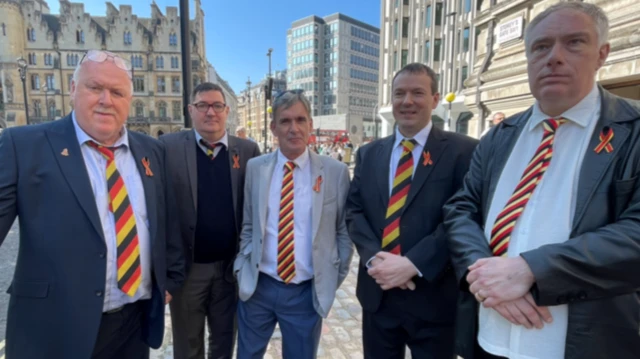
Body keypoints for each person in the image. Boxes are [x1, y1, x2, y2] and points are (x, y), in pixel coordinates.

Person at [443, 3, 640, 359]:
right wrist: (484, 276)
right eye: (541, 46)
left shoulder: (634, 132)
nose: (554, 57)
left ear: (602, 54)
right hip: (488, 336)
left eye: (574, 43)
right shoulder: (499, 135)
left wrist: (533, 269)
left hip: (585, 343)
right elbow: (462, 208)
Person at [0, 49, 185, 359]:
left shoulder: (151, 150)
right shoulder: (22, 146)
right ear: (73, 89)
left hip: (132, 323)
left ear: (129, 99)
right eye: (95, 87)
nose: (106, 100)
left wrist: (170, 278)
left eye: (117, 92)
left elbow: (164, 219)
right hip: (54, 328)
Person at [346, 62, 478, 359]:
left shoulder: (465, 151)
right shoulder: (368, 154)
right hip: (378, 295)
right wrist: (374, 261)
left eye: (417, 92)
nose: (407, 101)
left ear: (435, 99)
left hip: (433, 297)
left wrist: (413, 263)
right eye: (399, 93)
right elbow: (354, 211)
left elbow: (464, 216)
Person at [234, 90, 354, 359]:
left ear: (311, 124)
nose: (294, 128)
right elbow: (250, 223)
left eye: (301, 120)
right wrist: (243, 266)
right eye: (285, 121)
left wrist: (331, 278)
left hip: (305, 294)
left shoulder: (334, 172)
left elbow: (343, 233)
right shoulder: (256, 168)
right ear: (273, 127)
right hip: (259, 288)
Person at [160, 82, 260, 359]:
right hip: (188, 271)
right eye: (202, 105)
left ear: (227, 111)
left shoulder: (248, 150)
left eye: (217, 105)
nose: (210, 112)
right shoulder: (167, 147)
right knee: (187, 343)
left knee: (225, 341)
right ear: (191, 110)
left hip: (230, 271)